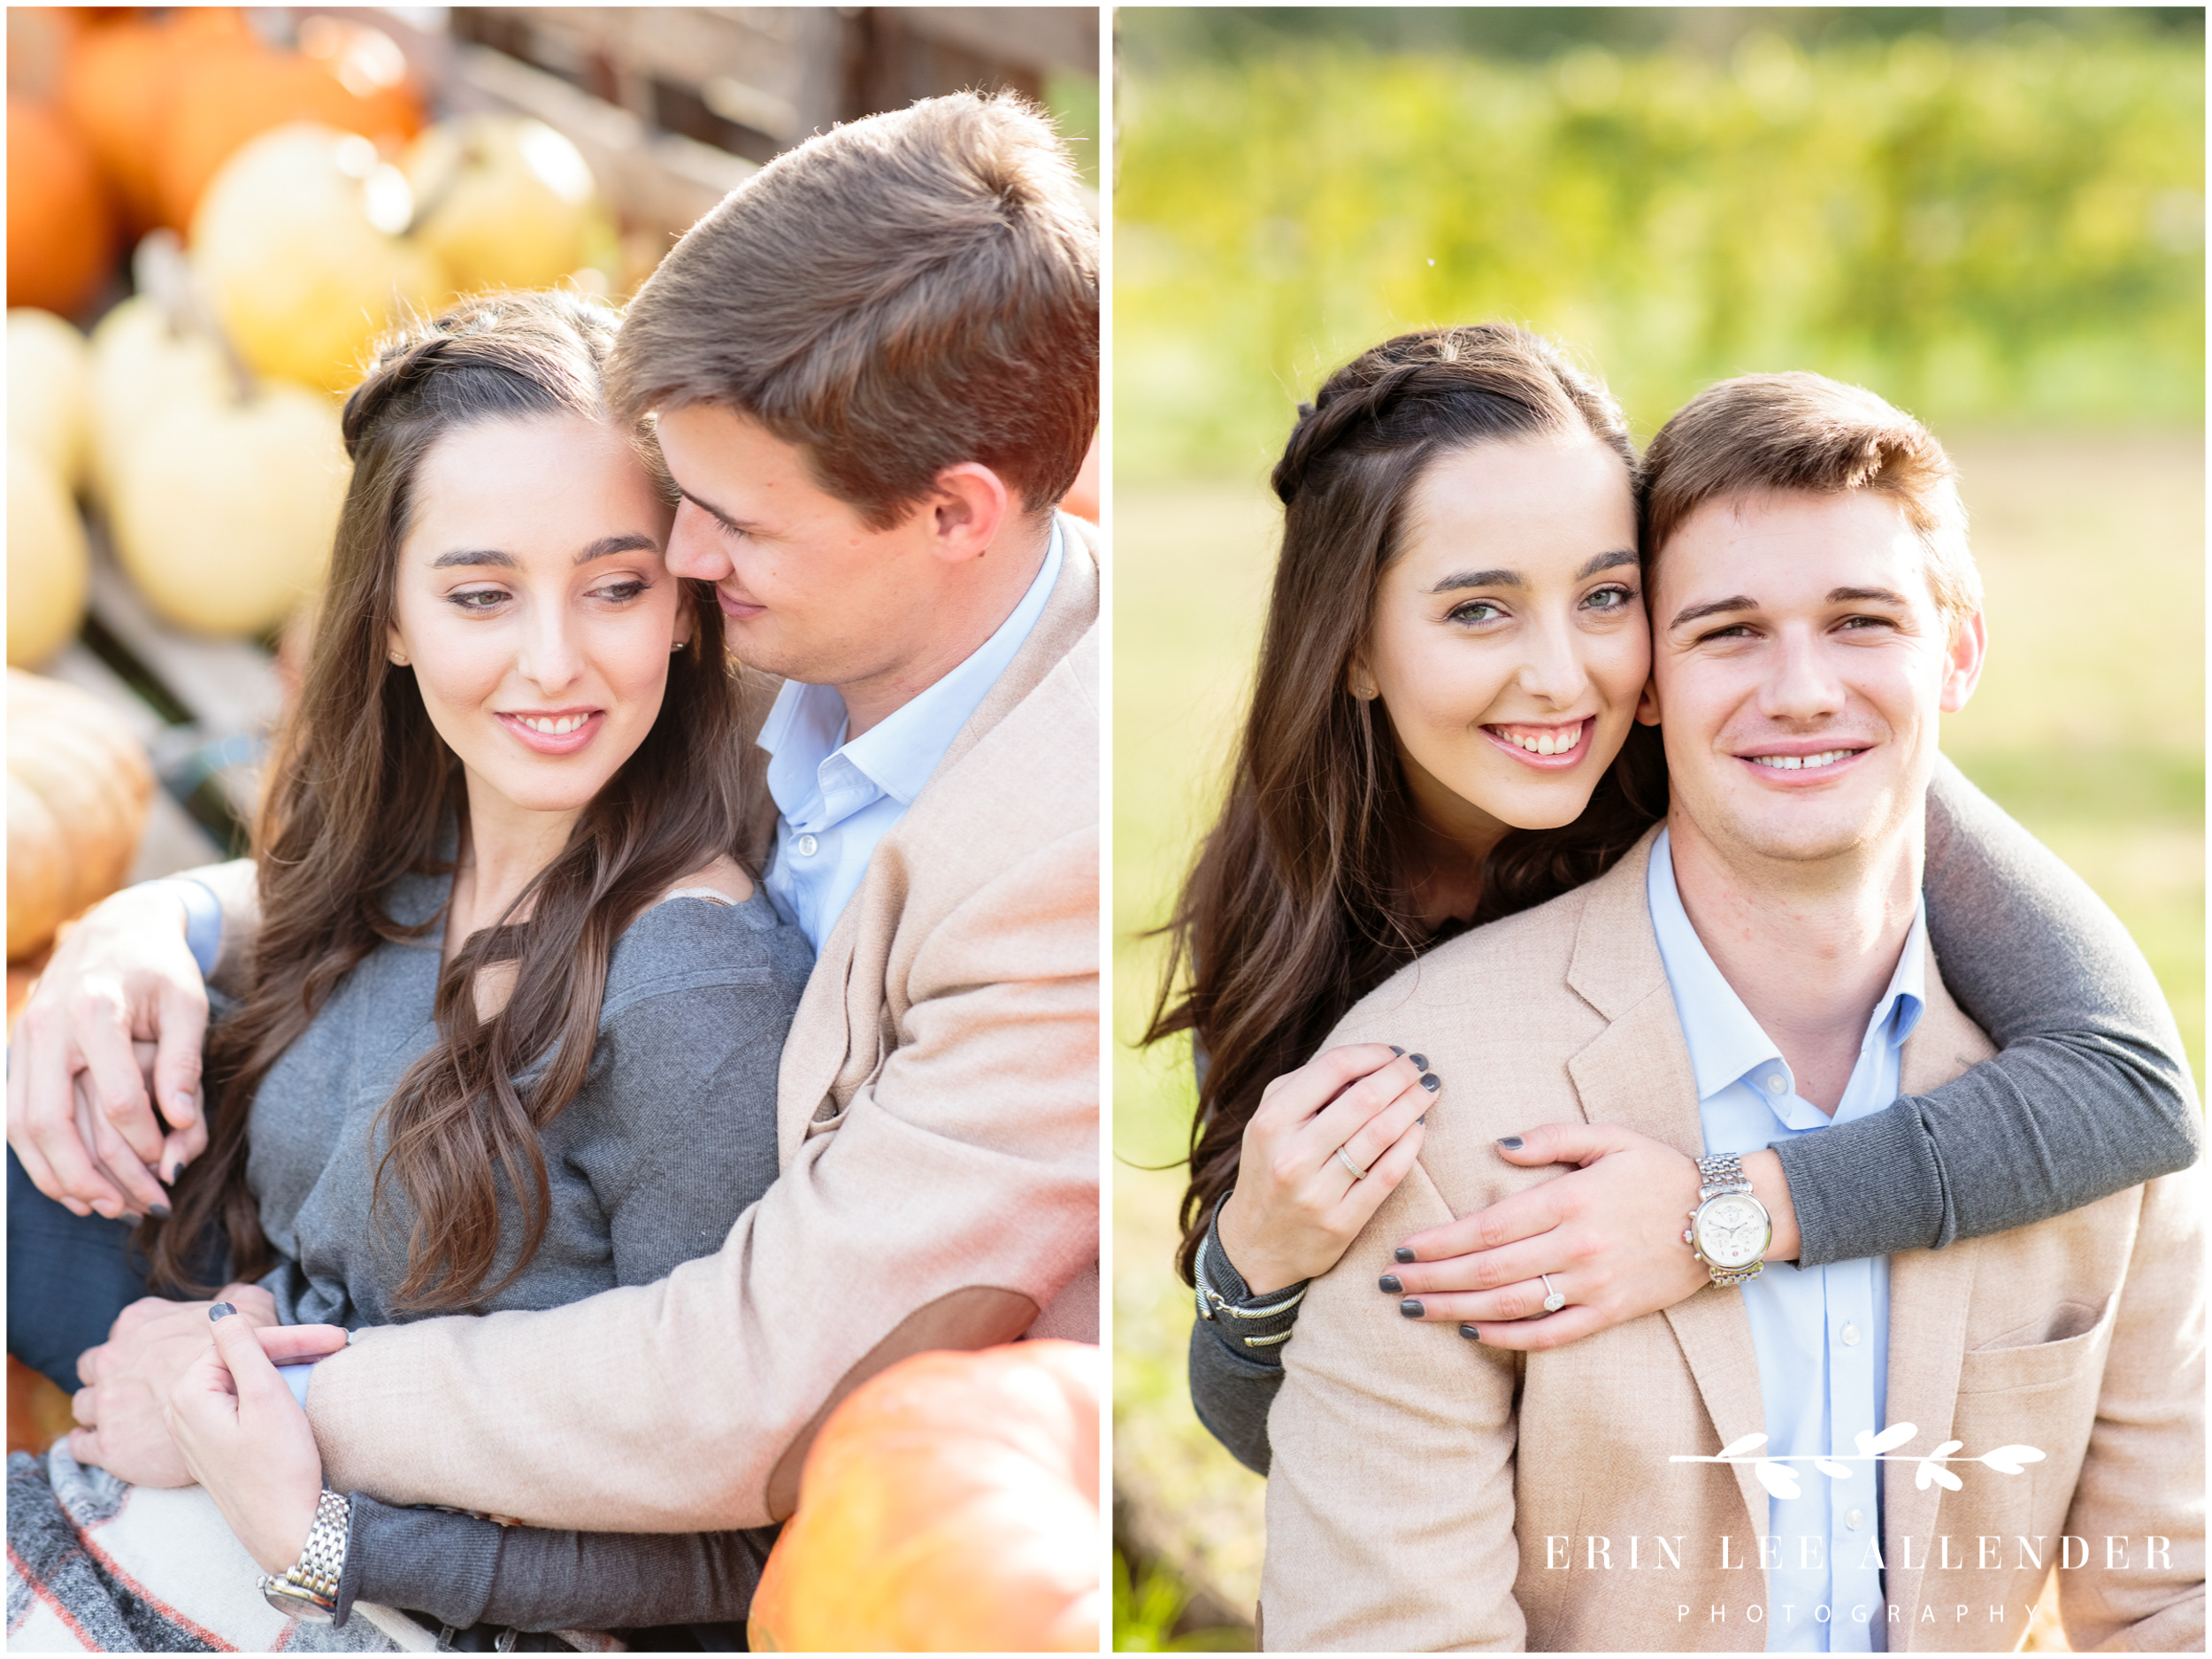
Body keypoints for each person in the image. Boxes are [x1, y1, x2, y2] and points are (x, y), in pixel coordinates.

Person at [7, 89, 1098, 1602]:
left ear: (952, 516)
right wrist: (148, 930)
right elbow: (462, 860)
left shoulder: (1049, 871)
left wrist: (288, 1439)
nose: (685, 574)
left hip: (647, 1523)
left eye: (689, 547)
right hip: (294, 1355)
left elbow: (756, 1405)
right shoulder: (797, 599)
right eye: (681, 521)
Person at [1257, 370, 2204, 1652]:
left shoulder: (2079, 1105)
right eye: (1729, 632)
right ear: (1653, 678)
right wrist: (1243, 1279)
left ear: (1960, 652)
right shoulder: (1417, 1095)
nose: (1803, 690)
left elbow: (2173, 1600)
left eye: (1864, 621)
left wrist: (1728, 1216)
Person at [8, 289, 818, 1646]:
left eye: (616, 586)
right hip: (210, 1455)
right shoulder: (421, 846)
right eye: (481, 594)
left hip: (407, 1596)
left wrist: (313, 1527)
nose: (553, 661)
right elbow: (294, 911)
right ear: (386, 618)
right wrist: (144, 924)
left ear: (685, 606)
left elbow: (746, 1535)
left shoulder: (692, 993)